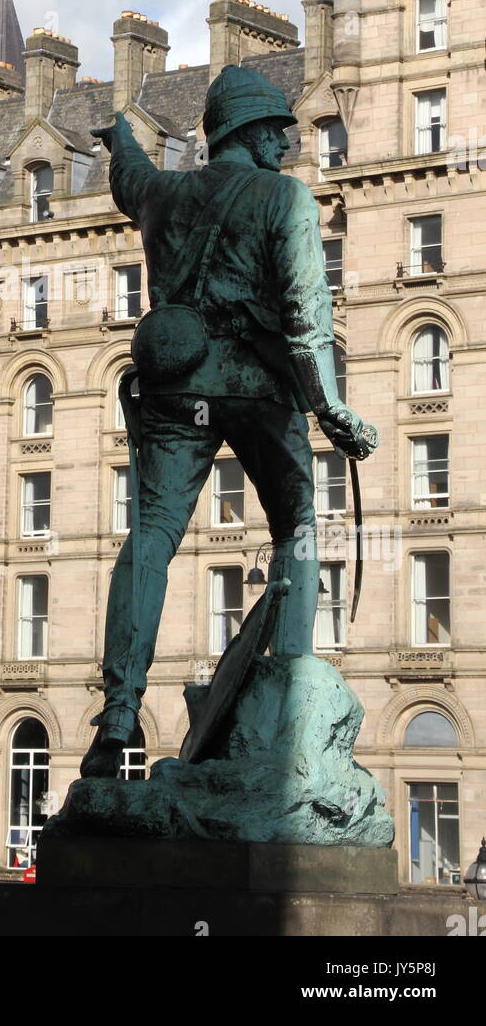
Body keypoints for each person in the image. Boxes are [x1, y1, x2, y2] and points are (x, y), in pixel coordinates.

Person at [81, 64, 377, 777]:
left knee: (151, 534)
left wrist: (118, 133)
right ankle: (295, 686)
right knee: (299, 526)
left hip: (177, 382)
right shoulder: (285, 198)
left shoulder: (164, 194)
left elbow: (129, 175)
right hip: (254, 384)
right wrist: (331, 408)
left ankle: (120, 707)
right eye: (279, 130)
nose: (288, 142)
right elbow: (307, 314)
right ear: (251, 131)